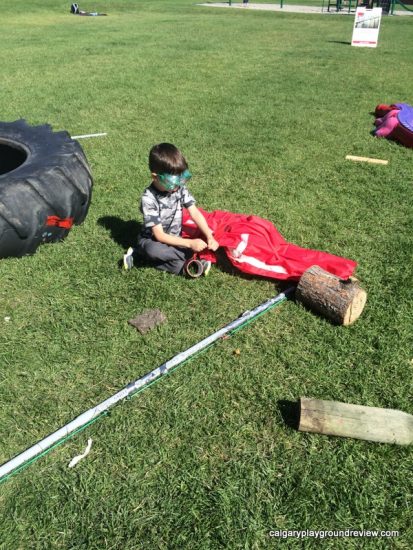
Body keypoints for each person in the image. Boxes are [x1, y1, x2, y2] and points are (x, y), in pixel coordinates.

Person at [124, 143, 219, 276]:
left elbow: (195, 213)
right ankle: (143, 253)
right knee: (153, 250)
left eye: (181, 179)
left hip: (175, 240)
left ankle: (179, 265)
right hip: (152, 241)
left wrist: (209, 236)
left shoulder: (179, 188)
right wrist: (190, 243)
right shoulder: (149, 199)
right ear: (155, 176)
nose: (177, 186)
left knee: (174, 256)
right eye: (172, 182)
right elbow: (159, 236)